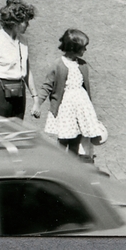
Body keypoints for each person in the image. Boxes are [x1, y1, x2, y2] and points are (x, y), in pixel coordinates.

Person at [38, 28, 107, 162]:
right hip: (66, 108)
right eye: (83, 47)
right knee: (64, 139)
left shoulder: (82, 65)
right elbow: (47, 85)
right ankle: (60, 164)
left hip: (80, 108)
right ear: (72, 48)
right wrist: (37, 103)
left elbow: (84, 87)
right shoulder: (58, 64)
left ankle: (73, 165)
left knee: (76, 139)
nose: (85, 50)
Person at [0, 0, 39, 120]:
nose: (28, 25)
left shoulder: (24, 41)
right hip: (0, 94)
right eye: (25, 22)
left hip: (19, 94)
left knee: (16, 130)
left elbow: (27, 72)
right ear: (15, 23)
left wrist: (35, 98)